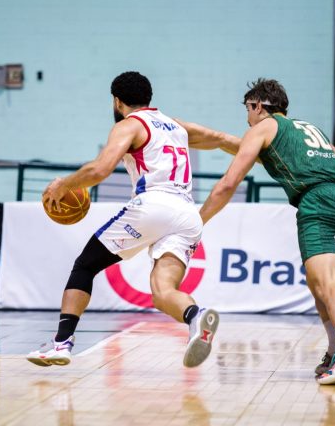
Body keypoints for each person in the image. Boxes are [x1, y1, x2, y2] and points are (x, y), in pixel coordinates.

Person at [27, 71, 240, 368]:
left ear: (117, 101)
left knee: (85, 265)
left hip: (154, 205)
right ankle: (196, 316)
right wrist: (267, 152)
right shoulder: (176, 125)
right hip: (187, 214)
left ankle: (61, 344)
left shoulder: (130, 124)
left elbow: (100, 169)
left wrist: (64, 185)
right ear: (148, 98)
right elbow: (222, 140)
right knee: (163, 293)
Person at [198, 78, 335, 385]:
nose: (247, 118)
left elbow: (229, 183)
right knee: (318, 282)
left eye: (247, 110)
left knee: (327, 281)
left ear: (258, 106)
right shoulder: (311, 131)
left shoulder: (262, 128)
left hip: (320, 202)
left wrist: (197, 221)